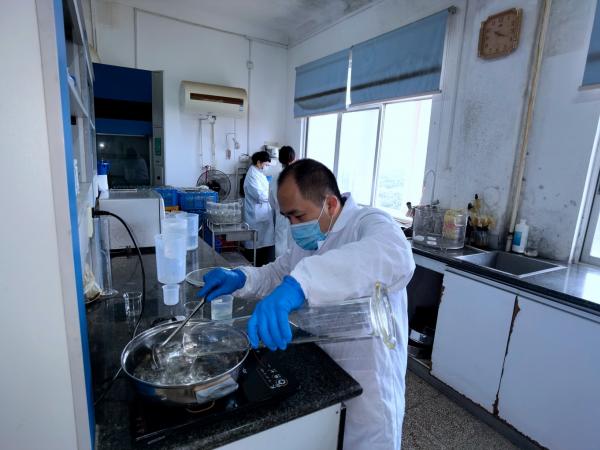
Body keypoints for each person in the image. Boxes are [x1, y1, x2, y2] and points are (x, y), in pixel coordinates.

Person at [198, 159, 415, 450]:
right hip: (325, 363)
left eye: (298, 216)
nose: (293, 226)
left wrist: (301, 285)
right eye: (287, 217)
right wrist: (240, 278)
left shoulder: (370, 222)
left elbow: (395, 256)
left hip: (369, 375)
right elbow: (278, 273)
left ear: (331, 204)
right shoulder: (309, 240)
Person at [242, 150, 275, 266]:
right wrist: (273, 196)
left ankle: (262, 264)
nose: (266, 167)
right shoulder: (252, 175)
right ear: (258, 162)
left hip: (263, 212)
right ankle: (256, 265)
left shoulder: (259, 173)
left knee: (266, 241)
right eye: (265, 164)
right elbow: (260, 195)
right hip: (255, 216)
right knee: (256, 243)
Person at [268, 146, 296, 257]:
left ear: (280, 160)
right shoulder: (298, 177)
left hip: (281, 216)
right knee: (295, 250)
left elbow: (271, 201)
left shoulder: (275, 178)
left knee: (280, 248)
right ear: (293, 158)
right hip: (297, 219)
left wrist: (278, 209)